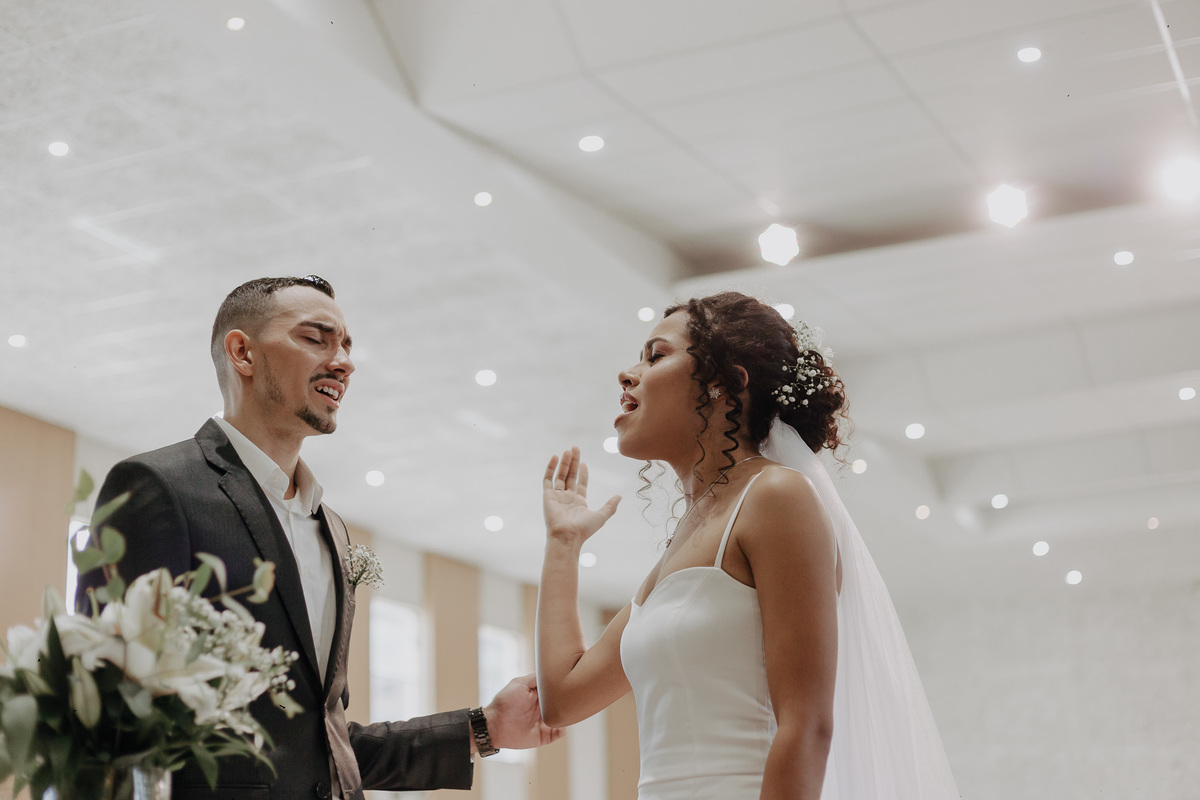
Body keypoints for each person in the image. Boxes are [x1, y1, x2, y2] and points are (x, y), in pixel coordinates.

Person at [78, 275, 560, 800]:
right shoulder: (159, 487)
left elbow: (320, 744)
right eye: (316, 338)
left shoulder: (331, 527)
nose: (344, 362)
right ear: (242, 352)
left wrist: (485, 726)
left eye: (347, 345)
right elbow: (104, 713)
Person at [536, 292, 959, 800]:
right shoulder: (684, 544)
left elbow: (806, 727)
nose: (627, 375)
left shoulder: (775, 496)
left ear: (726, 384)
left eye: (656, 356)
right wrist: (563, 542)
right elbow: (563, 698)